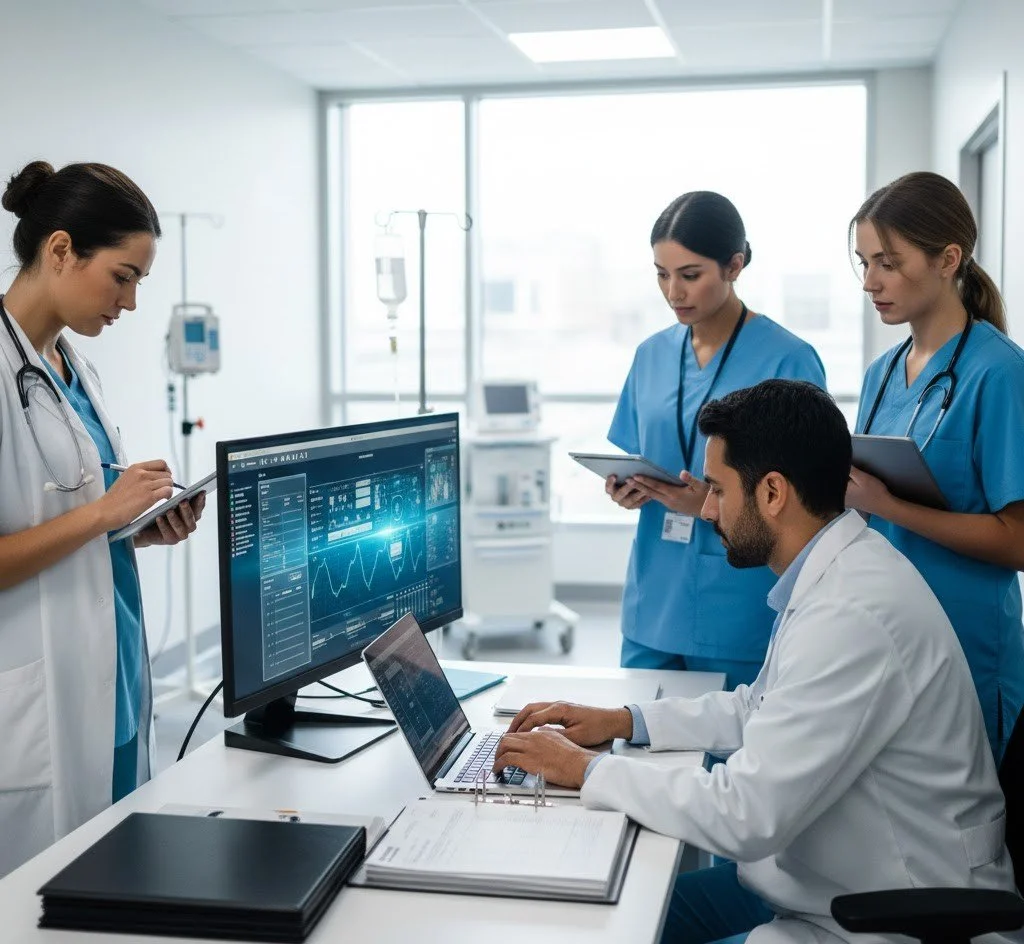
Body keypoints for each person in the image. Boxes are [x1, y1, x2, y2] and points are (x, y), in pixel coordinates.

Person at [494, 380, 1015, 944]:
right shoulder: (838, 568)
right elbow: (761, 707)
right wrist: (624, 721)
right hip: (824, 881)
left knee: (615, 924)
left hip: (889, 913)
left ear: (772, 492)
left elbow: (744, 816)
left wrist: (586, 769)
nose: (707, 508)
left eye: (718, 489)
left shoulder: (852, 613)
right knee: (613, 916)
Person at [0, 161, 206, 876]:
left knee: (114, 870)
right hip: (39, 689)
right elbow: (78, 515)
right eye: (123, 276)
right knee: (47, 890)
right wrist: (103, 513)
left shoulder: (71, 366)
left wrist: (135, 527)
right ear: (61, 249)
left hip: (111, 671)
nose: (131, 301)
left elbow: (66, 516)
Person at [608, 192, 825, 687]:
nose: (673, 292)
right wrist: (627, 488)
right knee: (636, 729)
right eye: (661, 274)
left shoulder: (789, 359)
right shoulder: (650, 355)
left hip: (740, 602)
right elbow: (638, 454)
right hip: (654, 599)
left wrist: (711, 503)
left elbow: (809, 499)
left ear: (734, 265)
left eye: (690, 275)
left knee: (735, 733)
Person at [848, 171, 1024, 761]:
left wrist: (889, 506)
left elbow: (1019, 541)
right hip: (886, 636)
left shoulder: (999, 373)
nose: (870, 282)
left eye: (888, 263)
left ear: (948, 259)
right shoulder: (880, 374)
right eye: (864, 263)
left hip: (965, 643)